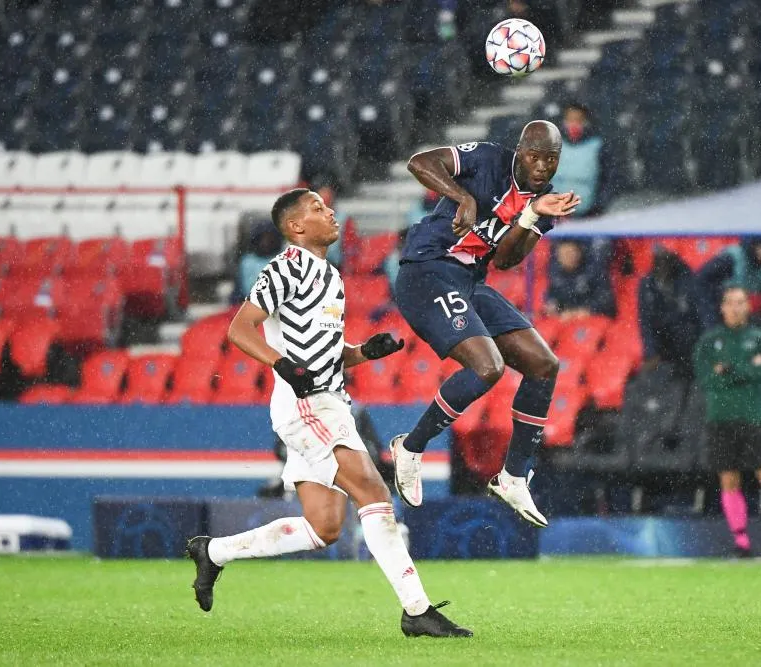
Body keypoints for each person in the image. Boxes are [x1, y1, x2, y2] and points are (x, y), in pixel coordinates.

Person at [186, 188, 472, 638]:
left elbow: (325, 351)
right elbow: (239, 328)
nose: (330, 211)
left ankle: (214, 552)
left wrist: (362, 353)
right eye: (318, 208)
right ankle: (416, 609)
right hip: (308, 404)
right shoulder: (284, 268)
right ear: (296, 226)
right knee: (375, 492)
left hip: (329, 400)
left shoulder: (332, 276)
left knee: (325, 527)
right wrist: (280, 364)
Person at [390, 122, 581, 528]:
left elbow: (507, 260)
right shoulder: (489, 159)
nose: (542, 166)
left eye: (551, 159)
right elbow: (419, 162)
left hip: (468, 281)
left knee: (544, 365)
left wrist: (529, 217)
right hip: (426, 269)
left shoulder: (545, 201)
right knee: (488, 366)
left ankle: (513, 476)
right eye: (535, 156)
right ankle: (411, 447)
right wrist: (462, 197)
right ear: (519, 151)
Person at [693, 285, 761, 557]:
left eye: (740, 303)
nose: (735, 308)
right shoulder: (710, 341)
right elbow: (706, 378)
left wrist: (730, 370)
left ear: (748, 306)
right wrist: (745, 370)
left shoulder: (760, 338)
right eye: (730, 303)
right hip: (720, 419)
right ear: (722, 307)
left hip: (752, 417)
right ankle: (741, 541)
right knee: (729, 479)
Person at [638, 247, 701, 379]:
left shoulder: (687, 278)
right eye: (659, 258)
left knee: (686, 333)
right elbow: (645, 322)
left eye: (666, 257)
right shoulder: (647, 283)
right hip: (662, 337)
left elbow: (698, 314)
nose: (662, 263)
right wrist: (651, 351)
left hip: (685, 337)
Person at [550, 103, 617, 218]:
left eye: (578, 120)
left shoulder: (598, 147)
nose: (574, 124)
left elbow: (608, 180)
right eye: (570, 120)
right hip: (554, 218)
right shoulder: (551, 145)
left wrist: (597, 207)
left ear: (586, 122)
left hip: (588, 218)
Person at [545, 240, 615, 318]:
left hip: (593, 319)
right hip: (566, 319)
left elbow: (605, 300)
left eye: (571, 253)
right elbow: (552, 296)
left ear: (579, 252)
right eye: (564, 254)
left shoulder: (593, 271)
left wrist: (585, 311)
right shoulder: (556, 274)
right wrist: (553, 305)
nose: (569, 257)